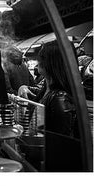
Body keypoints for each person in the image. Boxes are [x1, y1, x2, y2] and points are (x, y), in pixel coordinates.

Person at [36, 41, 84, 172]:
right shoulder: (49, 88)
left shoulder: (60, 98)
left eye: (41, 58)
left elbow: (61, 147)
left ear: (51, 63)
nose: (37, 62)